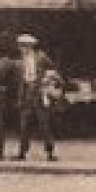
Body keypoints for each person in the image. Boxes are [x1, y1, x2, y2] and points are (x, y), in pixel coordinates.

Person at [14, 33, 61, 162]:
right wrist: (20, 99)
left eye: (25, 47)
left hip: (40, 95)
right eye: (21, 47)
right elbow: (20, 83)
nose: (23, 49)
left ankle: (50, 152)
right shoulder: (19, 63)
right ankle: (22, 152)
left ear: (31, 47)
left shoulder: (41, 57)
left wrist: (47, 82)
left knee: (44, 125)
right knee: (24, 126)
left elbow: (53, 70)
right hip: (26, 97)